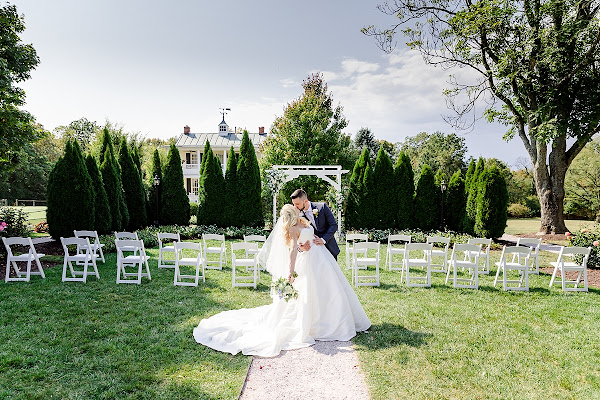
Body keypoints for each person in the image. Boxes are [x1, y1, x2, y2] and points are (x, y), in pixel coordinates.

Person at [193, 204, 370, 358]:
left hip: (321, 258)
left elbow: (304, 240)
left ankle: (333, 321)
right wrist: (290, 272)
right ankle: (317, 324)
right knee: (310, 292)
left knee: (329, 291)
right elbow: (293, 250)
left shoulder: (302, 222)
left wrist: (306, 244)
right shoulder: (292, 229)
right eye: (294, 209)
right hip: (308, 262)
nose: (296, 210)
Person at [290, 189, 340, 260]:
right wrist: (301, 248)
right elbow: (297, 237)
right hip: (312, 254)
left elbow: (333, 225)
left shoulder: (322, 207)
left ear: (305, 201)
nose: (295, 207)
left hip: (329, 248)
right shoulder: (298, 216)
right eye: (294, 204)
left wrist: (323, 239)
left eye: (297, 204)